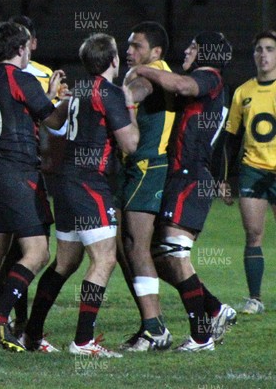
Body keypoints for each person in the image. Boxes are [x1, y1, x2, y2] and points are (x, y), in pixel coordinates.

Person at [21, 33, 138, 357]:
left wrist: (50, 97)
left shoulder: (81, 91)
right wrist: (129, 102)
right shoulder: (111, 92)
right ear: (114, 60)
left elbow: (52, 122)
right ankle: (83, 340)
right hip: (90, 183)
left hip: (66, 180)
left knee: (66, 262)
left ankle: (31, 335)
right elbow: (130, 144)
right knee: (105, 259)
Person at [134, 31, 237, 352]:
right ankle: (216, 310)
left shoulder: (209, 76)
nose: (188, 50)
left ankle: (202, 336)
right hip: (185, 176)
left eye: (195, 46)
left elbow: (180, 85)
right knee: (162, 256)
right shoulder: (208, 84)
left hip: (191, 176)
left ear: (208, 54)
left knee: (174, 255)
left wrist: (143, 69)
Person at [0, 21, 67, 352]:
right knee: (38, 252)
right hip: (19, 171)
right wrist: (70, 101)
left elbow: (19, 110)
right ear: (21, 49)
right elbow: (54, 121)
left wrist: (45, 96)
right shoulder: (20, 78)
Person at [119, 21, 175, 350]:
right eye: (128, 45)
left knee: (137, 247)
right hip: (135, 169)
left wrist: (115, 96)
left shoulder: (152, 73)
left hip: (148, 168)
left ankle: (155, 329)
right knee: (125, 248)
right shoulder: (144, 70)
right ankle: (151, 324)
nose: (129, 51)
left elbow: (137, 93)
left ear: (155, 52)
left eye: (136, 45)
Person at [224, 30, 276, 315]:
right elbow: (231, 138)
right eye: (259, 49)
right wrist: (226, 178)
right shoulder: (243, 92)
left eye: (269, 49)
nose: (264, 54)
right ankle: (255, 298)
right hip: (253, 170)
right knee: (253, 234)